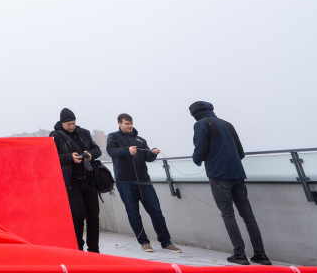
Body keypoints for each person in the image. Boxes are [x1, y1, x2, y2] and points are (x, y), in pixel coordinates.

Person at [190, 101, 272, 266]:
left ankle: (239, 254)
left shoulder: (201, 124)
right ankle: (261, 255)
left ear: (195, 114)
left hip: (219, 176)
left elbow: (201, 150)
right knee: (248, 215)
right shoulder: (228, 124)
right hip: (237, 174)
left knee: (228, 214)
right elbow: (240, 152)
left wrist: (197, 159)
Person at [106, 113, 182, 253]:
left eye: (131, 123)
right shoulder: (114, 136)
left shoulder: (140, 139)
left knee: (156, 212)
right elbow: (111, 151)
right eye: (127, 123)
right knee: (133, 213)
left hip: (144, 181)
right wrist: (127, 151)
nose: (130, 126)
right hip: (125, 181)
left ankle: (166, 242)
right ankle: (144, 242)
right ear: (119, 124)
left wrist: (153, 153)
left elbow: (147, 157)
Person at [50, 108, 101, 253]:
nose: (71, 127)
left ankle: (94, 250)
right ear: (62, 123)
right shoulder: (55, 136)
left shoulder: (84, 132)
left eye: (73, 123)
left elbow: (97, 149)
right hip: (72, 182)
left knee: (93, 216)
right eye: (68, 124)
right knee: (78, 215)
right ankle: (77, 248)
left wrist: (90, 154)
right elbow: (52, 157)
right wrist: (69, 157)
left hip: (89, 179)